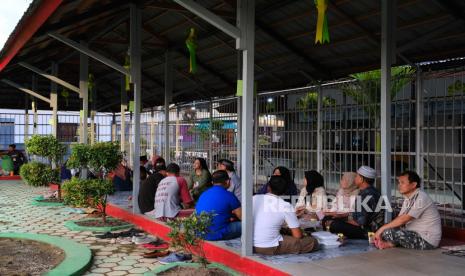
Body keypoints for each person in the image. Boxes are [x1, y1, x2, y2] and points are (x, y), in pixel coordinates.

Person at [374, 171, 441, 250]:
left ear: (413, 185)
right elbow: (400, 219)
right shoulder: (408, 198)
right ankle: (388, 243)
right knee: (385, 229)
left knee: (387, 231)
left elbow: (403, 219)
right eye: (399, 182)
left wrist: (381, 229)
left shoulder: (421, 197)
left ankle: (389, 244)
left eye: (403, 182)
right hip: (413, 234)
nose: (399, 185)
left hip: (427, 240)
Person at [253, 175, 319, 255]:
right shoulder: (285, 205)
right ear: (284, 191)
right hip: (267, 247)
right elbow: (297, 235)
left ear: (268, 187)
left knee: (284, 231)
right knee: (312, 242)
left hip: (248, 244)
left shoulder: (255, 198)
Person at [325, 166, 384, 239]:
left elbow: (360, 223)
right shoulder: (370, 191)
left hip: (368, 231)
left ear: (361, 179)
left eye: (356, 176)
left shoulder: (366, 195)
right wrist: (341, 216)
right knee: (330, 219)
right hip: (366, 226)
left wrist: (342, 222)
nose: (355, 178)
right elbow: (357, 214)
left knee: (334, 224)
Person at [195, 170, 242, 241]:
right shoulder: (229, 195)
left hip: (199, 232)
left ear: (212, 183)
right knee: (247, 225)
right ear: (228, 181)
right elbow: (242, 217)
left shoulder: (204, 193)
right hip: (215, 234)